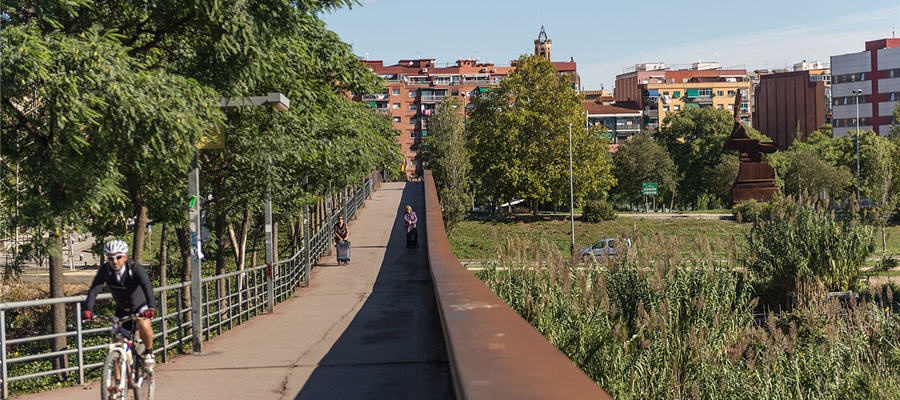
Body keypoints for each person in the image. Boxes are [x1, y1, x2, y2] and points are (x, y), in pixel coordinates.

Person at [83, 240, 156, 368]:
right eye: (110, 258)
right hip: (122, 309)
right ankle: (118, 383)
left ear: (125, 256)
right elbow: (94, 289)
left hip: (140, 306)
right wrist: (88, 310)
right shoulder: (105, 270)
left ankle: (149, 353)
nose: (114, 261)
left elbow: (147, 286)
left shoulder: (134, 268)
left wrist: (151, 307)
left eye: (118, 257)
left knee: (143, 323)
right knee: (116, 344)